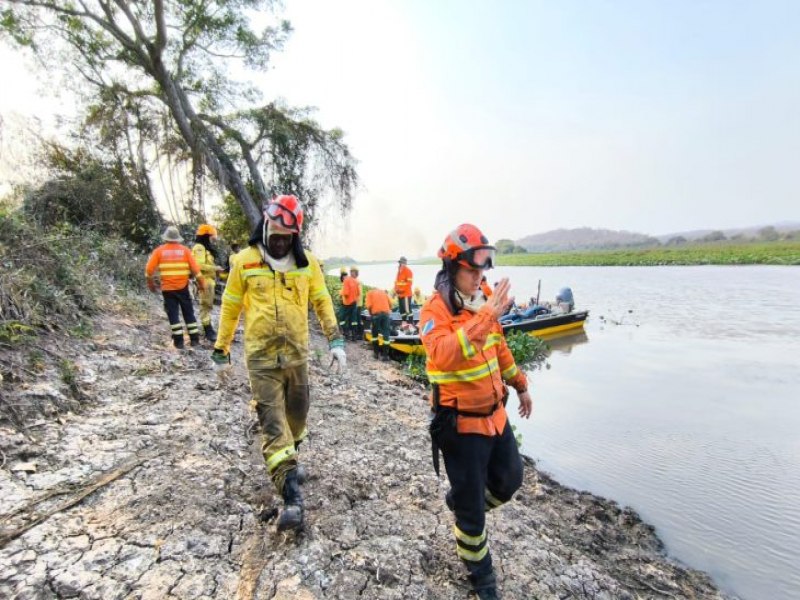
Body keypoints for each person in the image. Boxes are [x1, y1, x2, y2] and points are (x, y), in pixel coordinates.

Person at [210, 194, 346, 532]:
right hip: (260, 358)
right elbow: (230, 307)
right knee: (273, 424)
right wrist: (220, 349)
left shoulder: (307, 263)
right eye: (276, 235)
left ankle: (291, 457)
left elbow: (321, 300)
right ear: (265, 227)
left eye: (288, 237)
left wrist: (336, 340)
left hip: (297, 355)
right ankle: (291, 498)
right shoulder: (244, 262)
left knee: (297, 419)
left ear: (296, 236)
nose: (281, 242)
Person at [420, 224, 533, 600]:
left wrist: (519, 384)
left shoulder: (484, 301)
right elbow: (444, 355)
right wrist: (486, 316)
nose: (480, 277)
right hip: (461, 427)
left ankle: (463, 504)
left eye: (483, 271)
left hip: (495, 418)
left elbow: (499, 348)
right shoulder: (434, 311)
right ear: (452, 268)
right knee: (472, 520)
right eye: (472, 271)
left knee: (510, 480)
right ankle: (482, 579)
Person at [145, 226, 206, 349]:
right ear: (178, 239)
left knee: (173, 314)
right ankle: (194, 340)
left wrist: (151, 285)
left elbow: (149, 271)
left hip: (167, 289)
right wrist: (202, 285)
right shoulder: (185, 251)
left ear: (166, 238)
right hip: (183, 287)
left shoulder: (159, 251)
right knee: (188, 313)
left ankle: (179, 342)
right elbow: (196, 271)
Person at [192, 223, 221, 342]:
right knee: (205, 306)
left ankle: (208, 329)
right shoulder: (199, 247)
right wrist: (216, 268)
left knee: (208, 306)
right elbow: (198, 265)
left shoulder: (206, 249)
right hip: (203, 281)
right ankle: (208, 330)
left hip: (210, 281)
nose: (212, 240)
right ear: (206, 236)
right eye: (211, 237)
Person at [365, 287, 392, 361]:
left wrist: (371, 314)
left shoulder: (370, 293)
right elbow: (390, 303)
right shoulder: (383, 292)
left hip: (376, 314)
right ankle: (385, 356)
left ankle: (376, 354)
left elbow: (369, 305)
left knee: (375, 334)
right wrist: (388, 311)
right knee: (386, 334)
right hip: (386, 314)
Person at [339, 267, 361, 341]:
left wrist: (340, 293)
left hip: (346, 303)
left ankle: (346, 334)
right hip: (354, 303)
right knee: (353, 320)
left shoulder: (346, 280)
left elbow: (345, 293)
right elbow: (358, 293)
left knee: (342, 318)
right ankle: (354, 337)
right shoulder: (356, 281)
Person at [394, 256, 414, 323]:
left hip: (406, 294)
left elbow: (409, 283)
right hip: (399, 294)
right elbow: (396, 282)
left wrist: (402, 290)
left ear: (406, 263)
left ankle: (411, 324)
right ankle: (404, 323)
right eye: (401, 262)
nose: (402, 264)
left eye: (403, 263)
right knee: (402, 310)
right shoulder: (399, 271)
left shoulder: (408, 271)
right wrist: (396, 289)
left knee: (408, 310)